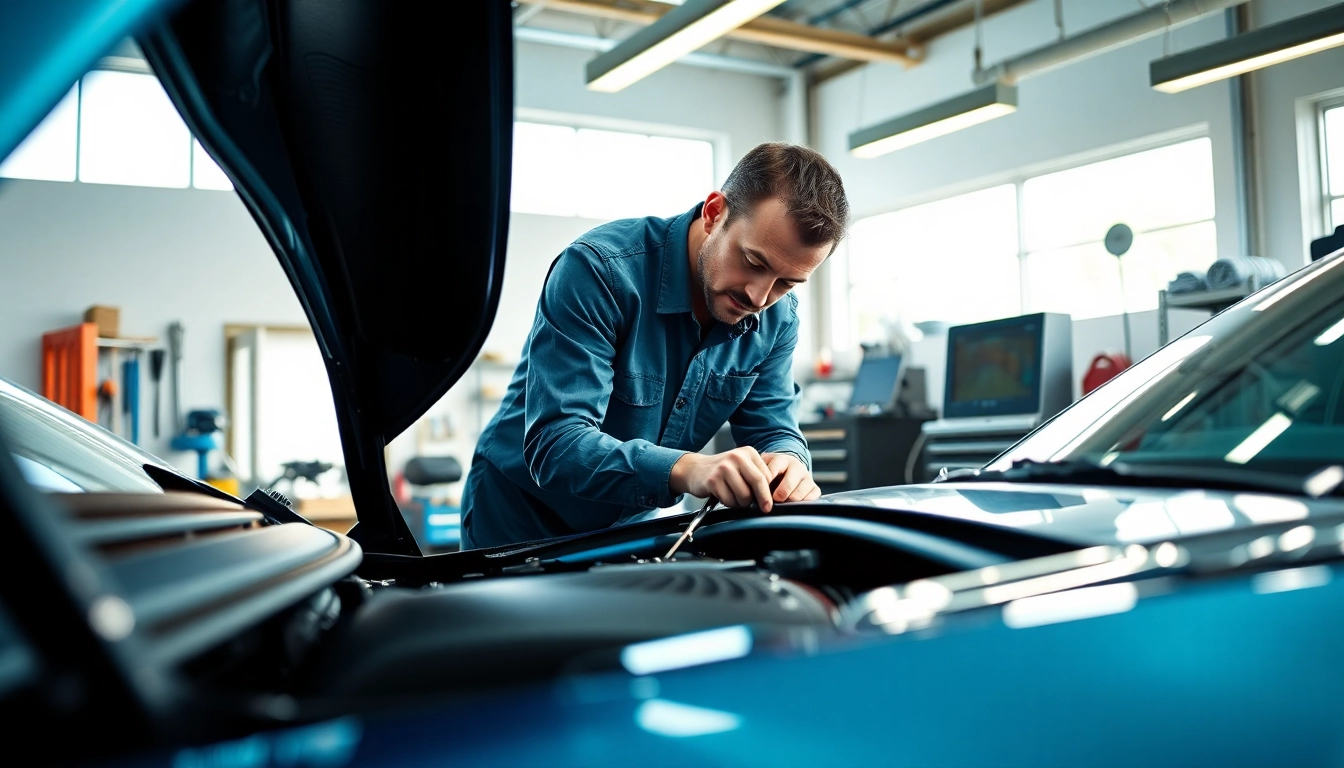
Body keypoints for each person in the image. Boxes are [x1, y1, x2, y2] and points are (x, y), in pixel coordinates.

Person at [460, 142, 850, 549]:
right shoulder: (599, 271)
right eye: (754, 262)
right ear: (715, 213)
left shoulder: (778, 317)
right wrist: (687, 468)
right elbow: (557, 444)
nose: (759, 296)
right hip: (518, 517)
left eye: (787, 282)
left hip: (628, 526)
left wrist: (789, 462)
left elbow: (774, 428)